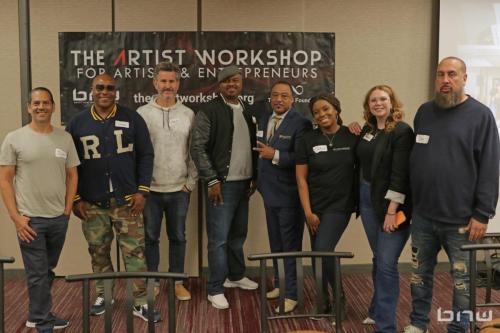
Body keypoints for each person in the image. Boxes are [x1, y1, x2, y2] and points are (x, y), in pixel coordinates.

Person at [404, 57, 499, 333]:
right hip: (423, 217)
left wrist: (482, 214)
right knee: (418, 276)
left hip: (462, 220)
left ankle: (459, 328)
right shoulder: (424, 112)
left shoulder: (481, 115)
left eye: (452, 74)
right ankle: (418, 322)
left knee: (462, 281)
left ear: (465, 78)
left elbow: (490, 167)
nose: (446, 80)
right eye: (440, 74)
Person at [66, 74, 160, 322]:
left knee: (135, 253)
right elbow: (69, 164)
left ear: (116, 91)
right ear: (91, 90)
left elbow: (146, 155)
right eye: (100, 87)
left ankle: (140, 301)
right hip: (93, 204)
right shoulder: (78, 123)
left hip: (127, 201)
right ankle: (104, 294)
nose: (105, 92)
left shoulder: (132, 118)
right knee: (98, 252)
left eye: (110, 88)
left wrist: (142, 191)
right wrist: (75, 199)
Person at [0, 87, 79, 333]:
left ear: (53, 107)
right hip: (30, 220)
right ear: (28, 107)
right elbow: (4, 180)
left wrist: (67, 210)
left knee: (46, 270)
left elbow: (72, 174)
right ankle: (43, 323)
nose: (41, 107)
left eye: (45, 103)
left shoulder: (64, 138)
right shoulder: (14, 138)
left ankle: (38, 313)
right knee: (37, 273)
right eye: (36, 103)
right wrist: (16, 218)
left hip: (58, 218)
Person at [190, 65, 258, 310]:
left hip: (244, 184)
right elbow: (197, 148)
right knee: (218, 239)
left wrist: (254, 178)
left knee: (238, 235)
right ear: (219, 85)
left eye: (236, 80)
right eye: (226, 81)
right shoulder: (208, 110)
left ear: (241, 83)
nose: (231, 85)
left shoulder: (248, 110)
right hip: (221, 185)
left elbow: (253, 148)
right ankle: (215, 288)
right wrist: (212, 180)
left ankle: (236, 276)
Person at [354, 85, 414, 333]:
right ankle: (376, 309)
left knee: (387, 262)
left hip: (393, 204)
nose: (378, 103)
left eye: (383, 99)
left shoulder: (401, 131)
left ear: (392, 103)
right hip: (367, 199)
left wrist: (392, 210)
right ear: (368, 105)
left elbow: (401, 175)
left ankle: (386, 327)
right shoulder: (368, 130)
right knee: (379, 257)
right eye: (373, 100)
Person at [137, 61, 197, 301]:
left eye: (172, 81)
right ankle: (152, 280)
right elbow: (137, 153)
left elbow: (195, 151)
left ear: (178, 84)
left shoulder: (188, 114)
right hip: (150, 190)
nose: (167, 85)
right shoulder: (142, 113)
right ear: (155, 83)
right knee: (150, 237)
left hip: (179, 189)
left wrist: (190, 183)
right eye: (163, 81)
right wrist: (140, 187)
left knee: (178, 237)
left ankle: (177, 281)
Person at [296, 93, 357, 318]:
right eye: (316, 112)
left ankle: (339, 298)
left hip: (340, 205)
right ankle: (322, 302)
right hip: (313, 206)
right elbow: (301, 179)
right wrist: (308, 212)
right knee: (317, 254)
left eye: (326, 109)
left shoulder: (352, 136)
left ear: (336, 109)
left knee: (322, 249)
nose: (322, 114)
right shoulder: (307, 140)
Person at [255, 81, 311, 313]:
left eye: (284, 96)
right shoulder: (265, 119)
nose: (279, 99)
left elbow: (302, 158)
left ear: (292, 99)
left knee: (290, 246)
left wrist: (274, 154)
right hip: (268, 193)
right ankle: (280, 284)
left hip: (289, 195)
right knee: (276, 243)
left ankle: (292, 294)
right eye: (275, 95)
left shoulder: (301, 123)